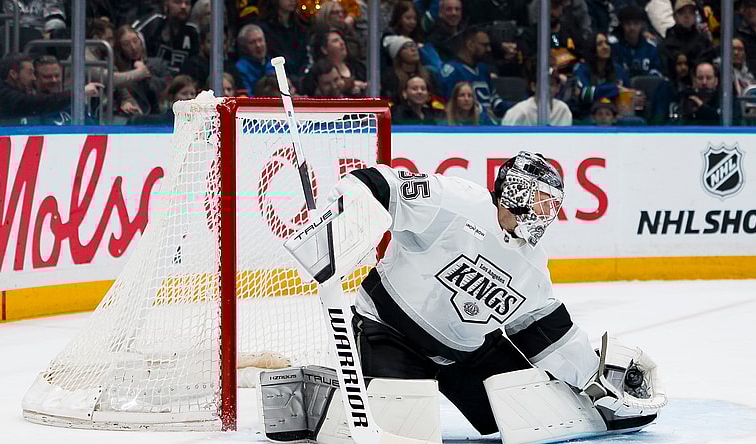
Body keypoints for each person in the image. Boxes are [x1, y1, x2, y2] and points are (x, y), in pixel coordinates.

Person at [259, 151, 666, 443]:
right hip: (391, 332)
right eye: (543, 200)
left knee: (526, 411)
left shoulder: (531, 265)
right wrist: (341, 213)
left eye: (553, 205)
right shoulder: (455, 201)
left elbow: (547, 334)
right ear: (518, 191)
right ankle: (322, 398)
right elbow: (381, 185)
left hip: (465, 353)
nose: (548, 213)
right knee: (405, 429)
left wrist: (596, 382)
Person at [440, 27, 508, 123]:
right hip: (466, 127)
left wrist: (515, 109)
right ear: (470, 45)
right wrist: (489, 120)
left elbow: (495, 101)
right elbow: (455, 107)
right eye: (484, 45)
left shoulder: (483, 69)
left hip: (488, 125)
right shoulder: (452, 71)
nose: (488, 49)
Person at [133, 0, 200, 74]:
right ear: (166, 4)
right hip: (149, 75)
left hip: (180, 79)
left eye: (187, 3)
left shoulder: (194, 32)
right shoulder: (154, 22)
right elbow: (129, 36)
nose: (183, 7)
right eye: (177, 2)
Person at [503, 58, 572, 126]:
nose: (547, 88)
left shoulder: (563, 110)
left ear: (558, 88)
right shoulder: (519, 112)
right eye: (543, 84)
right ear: (533, 86)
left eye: (551, 84)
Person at [235, 24, 276, 96]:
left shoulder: (274, 64)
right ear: (244, 47)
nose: (258, 45)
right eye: (252, 42)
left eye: (260, 40)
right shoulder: (240, 68)